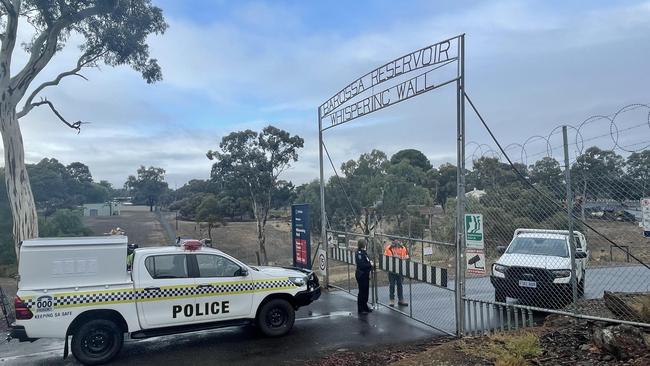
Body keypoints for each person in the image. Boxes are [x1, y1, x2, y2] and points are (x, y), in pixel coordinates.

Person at [384, 239, 409, 307]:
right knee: (392, 285)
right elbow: (387, 258)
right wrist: (394, 257)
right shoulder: (388, 248)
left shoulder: (403, 248)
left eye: (397, 241)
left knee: (400, 284)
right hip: (391, 270)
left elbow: (406, 257)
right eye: (394, 241)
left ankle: (401, 299)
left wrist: (400, 258)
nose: (396, 242)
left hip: (400, 269)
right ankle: (391, 300)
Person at [355, 238, 373, 314]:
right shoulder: (359, 253)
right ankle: (360, 308)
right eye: (364, 243)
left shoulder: (364, 252)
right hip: (361, 274)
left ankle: (365, 306)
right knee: (362, 292)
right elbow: (361, 264)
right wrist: (370, 264)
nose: (365, 244)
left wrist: (370, 264)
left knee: (366, 292)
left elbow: (367, 260)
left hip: (365, 274)